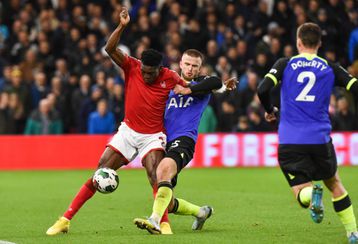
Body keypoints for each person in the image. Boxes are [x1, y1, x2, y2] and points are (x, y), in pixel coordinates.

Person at [46, 7, 187, 236]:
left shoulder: (170, 77)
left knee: (155, 175)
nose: (146, 75)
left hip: (153, 135)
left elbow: (187, 89)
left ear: (159, 69)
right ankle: (65, 219)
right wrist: (121, 27)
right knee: (99, 171)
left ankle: (164, 223)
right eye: (144, 70)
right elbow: (109, 48)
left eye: (151, 73)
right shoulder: (132, 66)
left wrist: (216, 87)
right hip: (128, 130)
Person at [257, 23, 358, 243]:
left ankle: (312, 196)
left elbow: (263, 89)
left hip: (290, 139)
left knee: (300, 192)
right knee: (335, 183)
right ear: (319, 44)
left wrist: (269, 111)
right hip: (319, 138)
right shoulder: (330, 67)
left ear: (298, 42)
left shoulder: (285, 64)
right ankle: (352, 232)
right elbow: (354, 87)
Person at [133, 49, 237, 234]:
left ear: (199, 69)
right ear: (180, 64)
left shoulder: (202, 86)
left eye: (194, 66)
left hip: (184, 140)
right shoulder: (167, 83)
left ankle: (155, 220)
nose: (190, 69)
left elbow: (215, 81)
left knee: (162, 171)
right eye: (187, 64)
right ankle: (201, 212)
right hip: (160, 141)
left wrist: (188, 89)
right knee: (166, 198)